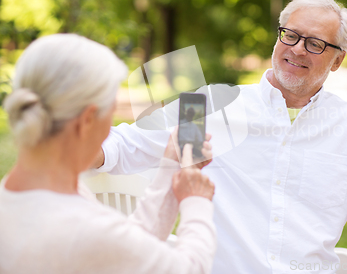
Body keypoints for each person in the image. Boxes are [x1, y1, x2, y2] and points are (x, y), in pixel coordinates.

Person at [94, 0, 347, 274]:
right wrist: (55, 139)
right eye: (291, 35)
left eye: (315, 43)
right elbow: (122, 147)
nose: (298, 49)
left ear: (338, 60)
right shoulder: (207, 106)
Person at [0, 34, 217, 274]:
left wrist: (170, 165)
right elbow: (189, 269)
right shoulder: (85, 228)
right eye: (111, 113)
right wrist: (196, 199)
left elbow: (126, 250)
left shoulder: (23, 199)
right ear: (87, 121)